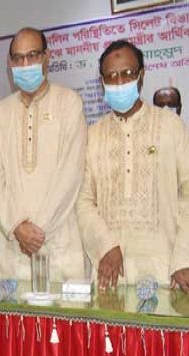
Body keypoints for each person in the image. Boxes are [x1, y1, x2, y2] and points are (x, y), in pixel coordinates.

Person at [77, 40, 189, 292]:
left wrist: (184, 257)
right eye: (111, 76)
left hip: (167, 271)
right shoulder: (92, 136)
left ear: (141, 75)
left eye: (127, 73)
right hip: (111, 273)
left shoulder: (171, 127)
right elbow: (82, 200)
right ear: (102, 82)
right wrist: (104, 245)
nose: (119, 82)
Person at [0, 27, 87, 282]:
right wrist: (17, 226)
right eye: (18, 58)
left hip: (59, 243)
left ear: (46, 57)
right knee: (13, 308)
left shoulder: (69, 103)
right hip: (13, 245)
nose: (25, 64)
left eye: (32, 56)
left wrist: (37, 232)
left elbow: (71, 174)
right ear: (10, 63)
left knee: (63, 308)